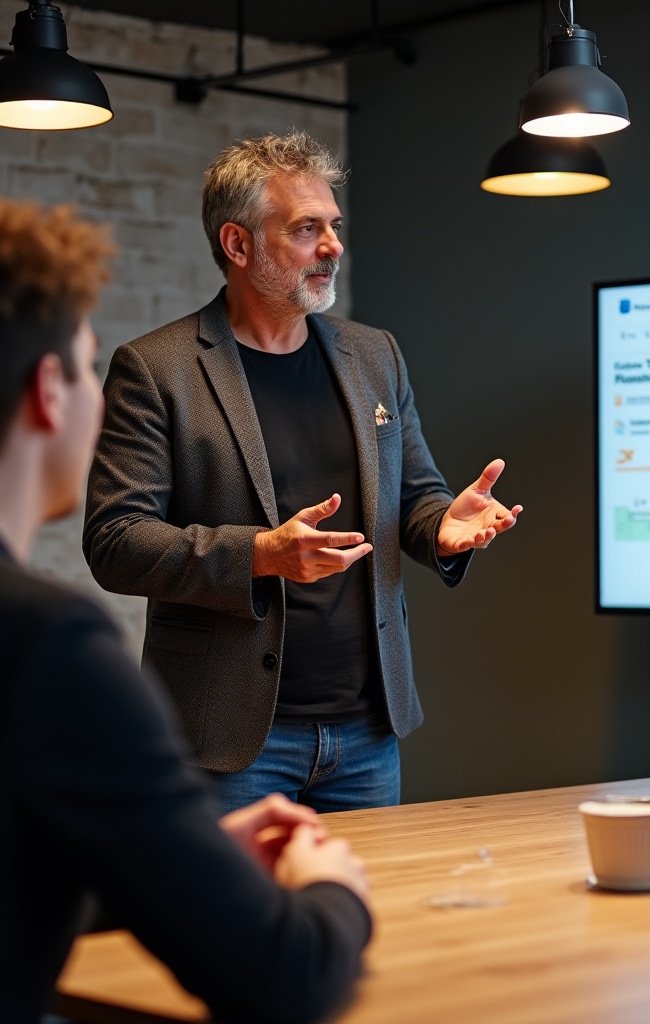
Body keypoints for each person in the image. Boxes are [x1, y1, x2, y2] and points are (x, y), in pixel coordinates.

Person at [0, 199, 372, 1024]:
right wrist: (331, 890)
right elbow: (285, 975)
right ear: (47, 395)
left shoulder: (371, 356)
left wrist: (173, 859)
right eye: (85, 367)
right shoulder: (46, 645)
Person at [83, 130, 521, 814]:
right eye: (306, 229)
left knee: (366, 920)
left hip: (368, 735)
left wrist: (442, 527)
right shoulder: (157, 369)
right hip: (229, 741)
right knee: (225, 924)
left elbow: (415, 497)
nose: (333, 247)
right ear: (238, 245)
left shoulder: (376, 355)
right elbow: (116, 540)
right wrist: (260, 554)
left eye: (334, 227)